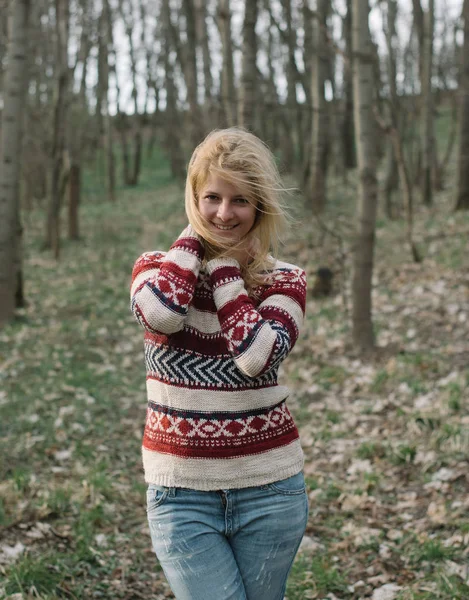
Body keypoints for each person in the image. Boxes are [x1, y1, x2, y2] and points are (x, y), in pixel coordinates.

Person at [130, 128, 308, 600]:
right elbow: (164, 315)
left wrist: (226, 269)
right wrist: (196, 243)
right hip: (181, 496)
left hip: (270, 490)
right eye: (211, 197)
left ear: (260, 208)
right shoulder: (152, 269)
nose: (224, 213)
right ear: (193, 197)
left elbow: (255, 357)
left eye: (241, 200)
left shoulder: (284, 281)